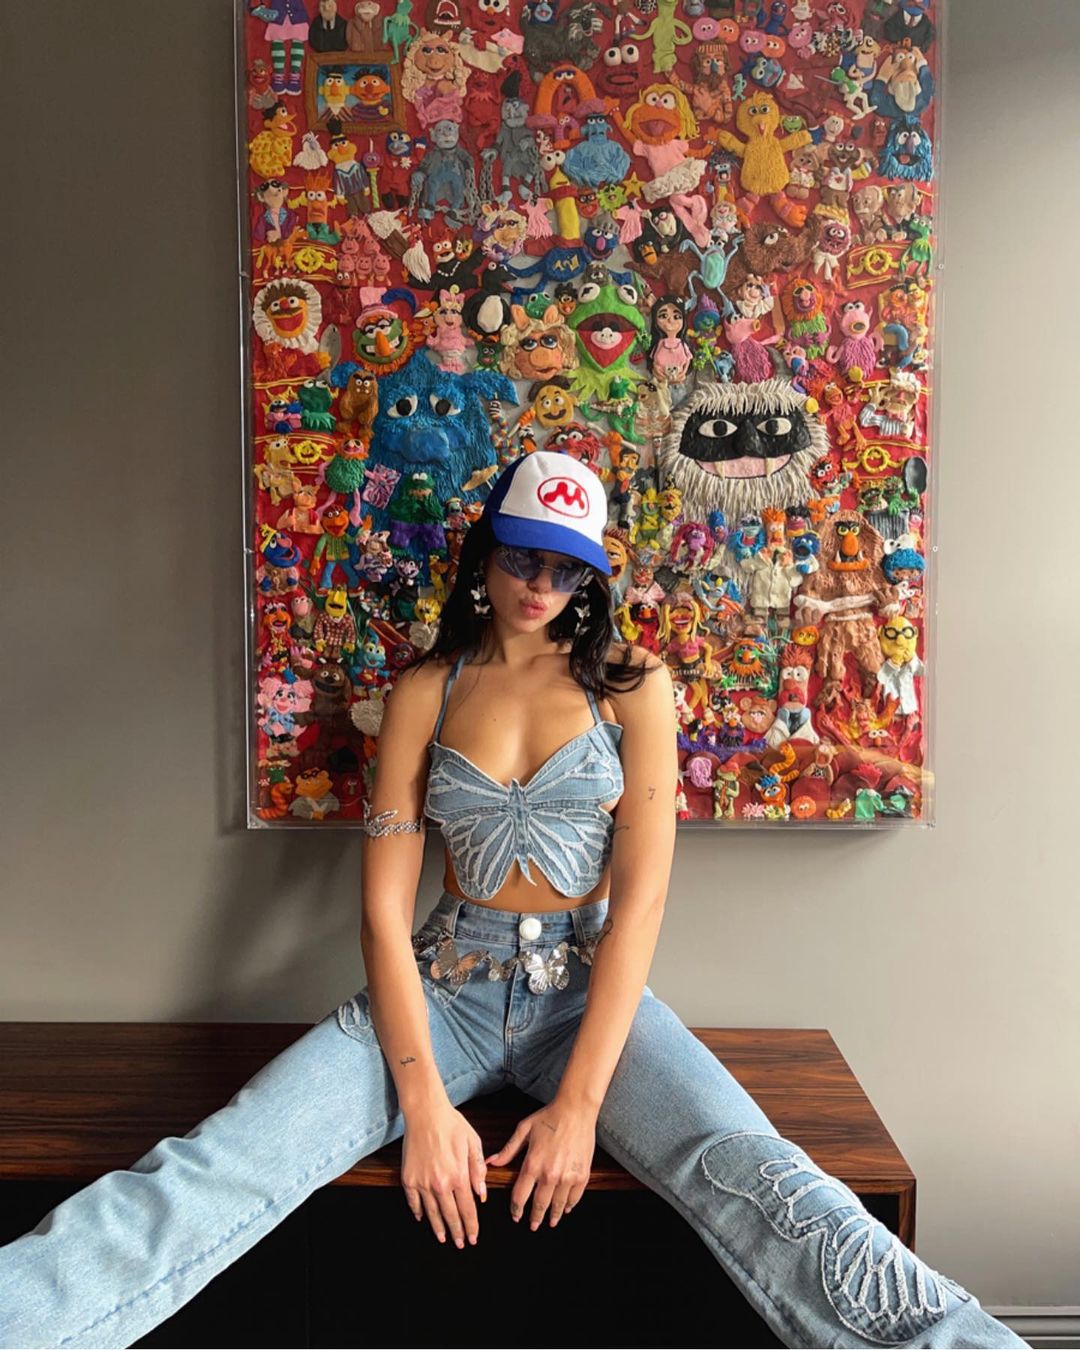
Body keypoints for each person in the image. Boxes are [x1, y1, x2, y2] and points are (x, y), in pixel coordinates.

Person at [0, 451, 1027, 1350]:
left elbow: (641, 906)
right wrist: (420, 1102)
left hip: (586, 994)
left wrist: (579, 1106)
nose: (541, 585)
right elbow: (381, 915)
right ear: (484, 554)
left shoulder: (634, 685)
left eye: (566, 568)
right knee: (213, 1165)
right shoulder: (427, 689)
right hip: (441, 986)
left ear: (591, 576)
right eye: (523, 558)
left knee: (770, 1184)